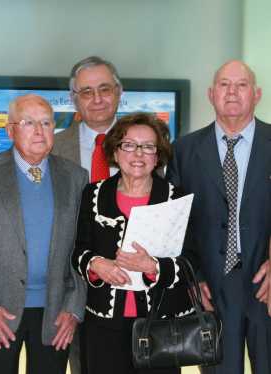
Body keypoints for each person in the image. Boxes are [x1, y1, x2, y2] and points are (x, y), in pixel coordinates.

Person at [0, 94, 88, 374]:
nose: (39, 131)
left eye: (45, 122)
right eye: (29, 122)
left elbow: (84, 245)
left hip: (55, 314)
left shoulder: (76, 177)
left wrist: (74, 308)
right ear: (10, 130)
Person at [72, 112, 197, 374]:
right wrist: (96, 264)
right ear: (115, 153)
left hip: (161, 328)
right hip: (103, 326)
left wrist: (153, 266)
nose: (138, 154)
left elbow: (191, 261)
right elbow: (78, 250)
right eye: (128, 145)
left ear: (158, 156)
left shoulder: (176, 198)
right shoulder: (93, 193)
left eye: (148, 147)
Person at [167, 60, 271, 374]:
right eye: (224, 84)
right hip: (210, 285)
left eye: (241, 85)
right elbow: (176, 223)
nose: (232, 92)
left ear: (257, 94)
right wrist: (192, 276)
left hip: (265, 280)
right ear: (212, 94)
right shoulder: (183, 150)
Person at [52, 55, 123, 374]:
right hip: (69, 281)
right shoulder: (51, 146)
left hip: (129, 281)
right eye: (86, 91)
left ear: (119, 92)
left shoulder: (146, 143)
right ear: (73, 99)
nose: (97, 99)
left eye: (105, 88)